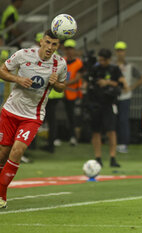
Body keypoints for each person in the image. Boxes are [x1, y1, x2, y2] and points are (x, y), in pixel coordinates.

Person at [0, 29, 66, 208]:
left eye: (54, 44)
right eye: (47, 43)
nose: (50, 47)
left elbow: (62, 88)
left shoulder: (60, 64)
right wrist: (17, 79)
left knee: (17, 151)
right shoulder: (23, 55)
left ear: (57, 46)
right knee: (2, 154)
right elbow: (2, 71)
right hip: (10, 111)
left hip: (32, 116)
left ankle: (1, 196)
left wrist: (56, 84)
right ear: (41, 42)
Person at [86, 48, 128, 167]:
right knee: (96, 131)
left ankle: (112, 157)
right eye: (100, 60)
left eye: (104, 60)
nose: (101, 62)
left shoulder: (114, 69)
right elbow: (89, 82)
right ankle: (98, 157)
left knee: (111, 131)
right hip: (96, 103)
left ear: (109, 59)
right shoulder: (94, 69)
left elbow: (123, 85)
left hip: (109, 103)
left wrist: (108, 82)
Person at [114, 41, 142, 153]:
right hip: (113, 96)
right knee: (114, 120)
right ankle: (115, 142)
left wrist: (132, 87)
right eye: (118, 50)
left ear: (125, 52)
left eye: (122, 50)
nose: (120, 53)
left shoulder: (130, 66)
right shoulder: (113, 66)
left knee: (123, 120)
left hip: (125, 96)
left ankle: (123, 143)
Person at [63, 39, 84, 146]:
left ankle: (73, 137)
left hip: (73, 94)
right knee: (63, 115)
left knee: (73, 117)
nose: (69, 51)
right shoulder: (62, 61)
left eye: (71, 48)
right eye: (67, 49)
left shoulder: (79, 63)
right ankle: (62, 136)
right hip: (61, 93)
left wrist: (64, 84)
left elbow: (77, 78)